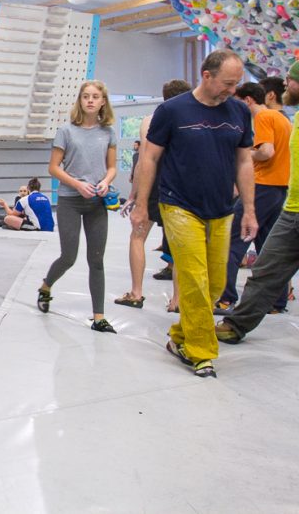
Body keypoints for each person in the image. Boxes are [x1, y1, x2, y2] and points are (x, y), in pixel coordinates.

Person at [131, 50, 255, 378]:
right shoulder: (172, 111)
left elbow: (244, 162)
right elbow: (150, 159)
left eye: (237, 82)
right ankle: (201, 352)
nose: (232, 88)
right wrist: (142, 205)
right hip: (178, 204)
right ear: (206, 75)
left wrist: (250, 210)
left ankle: (180, 337)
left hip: (222, 209)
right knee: (195, 279)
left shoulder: (240, 112)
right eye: (227, 82)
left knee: (215, 284)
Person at [217, 64, 299, 342]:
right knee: (265, 264)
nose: (286, 84)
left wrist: (240, 157)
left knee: (235, 241)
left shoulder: (265, 118)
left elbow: (265, 151)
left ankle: (226, 299)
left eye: (291, 80)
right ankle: (238, 324)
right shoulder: (291, 118)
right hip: (289, 203)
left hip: (266, 189)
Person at [36, 80, 118, 333]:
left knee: (97, 260)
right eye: (86, 96)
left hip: (96, 203)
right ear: (80, 101)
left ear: (103, 102)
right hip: (71, 201)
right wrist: (78, 184)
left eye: (95, 96)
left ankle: (99, 317)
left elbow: (112, 167)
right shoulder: (66, 131)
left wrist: (105, 182)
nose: (90, 100)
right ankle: (46, 285)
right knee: (68, 257)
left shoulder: (108, 133)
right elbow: (53, 168)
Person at [115, 79, 191, 309]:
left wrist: (134, 194)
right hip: (178, 186)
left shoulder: (150, 121)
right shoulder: (191, 121)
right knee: (179, 246)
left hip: (154, 185)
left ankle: (136, 293)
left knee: (137, 237)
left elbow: (144, 161)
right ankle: (177, 300)